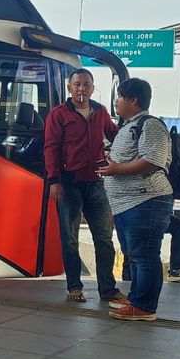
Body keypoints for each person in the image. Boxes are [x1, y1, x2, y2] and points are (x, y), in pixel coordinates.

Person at [44, 69, 124, 304]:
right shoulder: (58, 114)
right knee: (69, 239)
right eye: (77, 84)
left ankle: (108, 289)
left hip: (96, 182)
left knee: (104, 239)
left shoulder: (100, 112)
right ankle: (74, 287)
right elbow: (50, 148)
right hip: (68, 183)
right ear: (70, 87)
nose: (82, 89)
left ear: (92, 87)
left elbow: (114, 134)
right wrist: (54, 181)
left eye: (86, 85)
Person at [96, 78, 172, 321]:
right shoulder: (130, 125)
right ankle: (136, 298)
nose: (116, 102)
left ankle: (145, 306)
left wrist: (117, 170)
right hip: (127, 203)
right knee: (134, 253)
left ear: (133, 100)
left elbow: (153, 160)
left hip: (146, 201)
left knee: (145, 254)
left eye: (120, 97)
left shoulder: (150, 125)